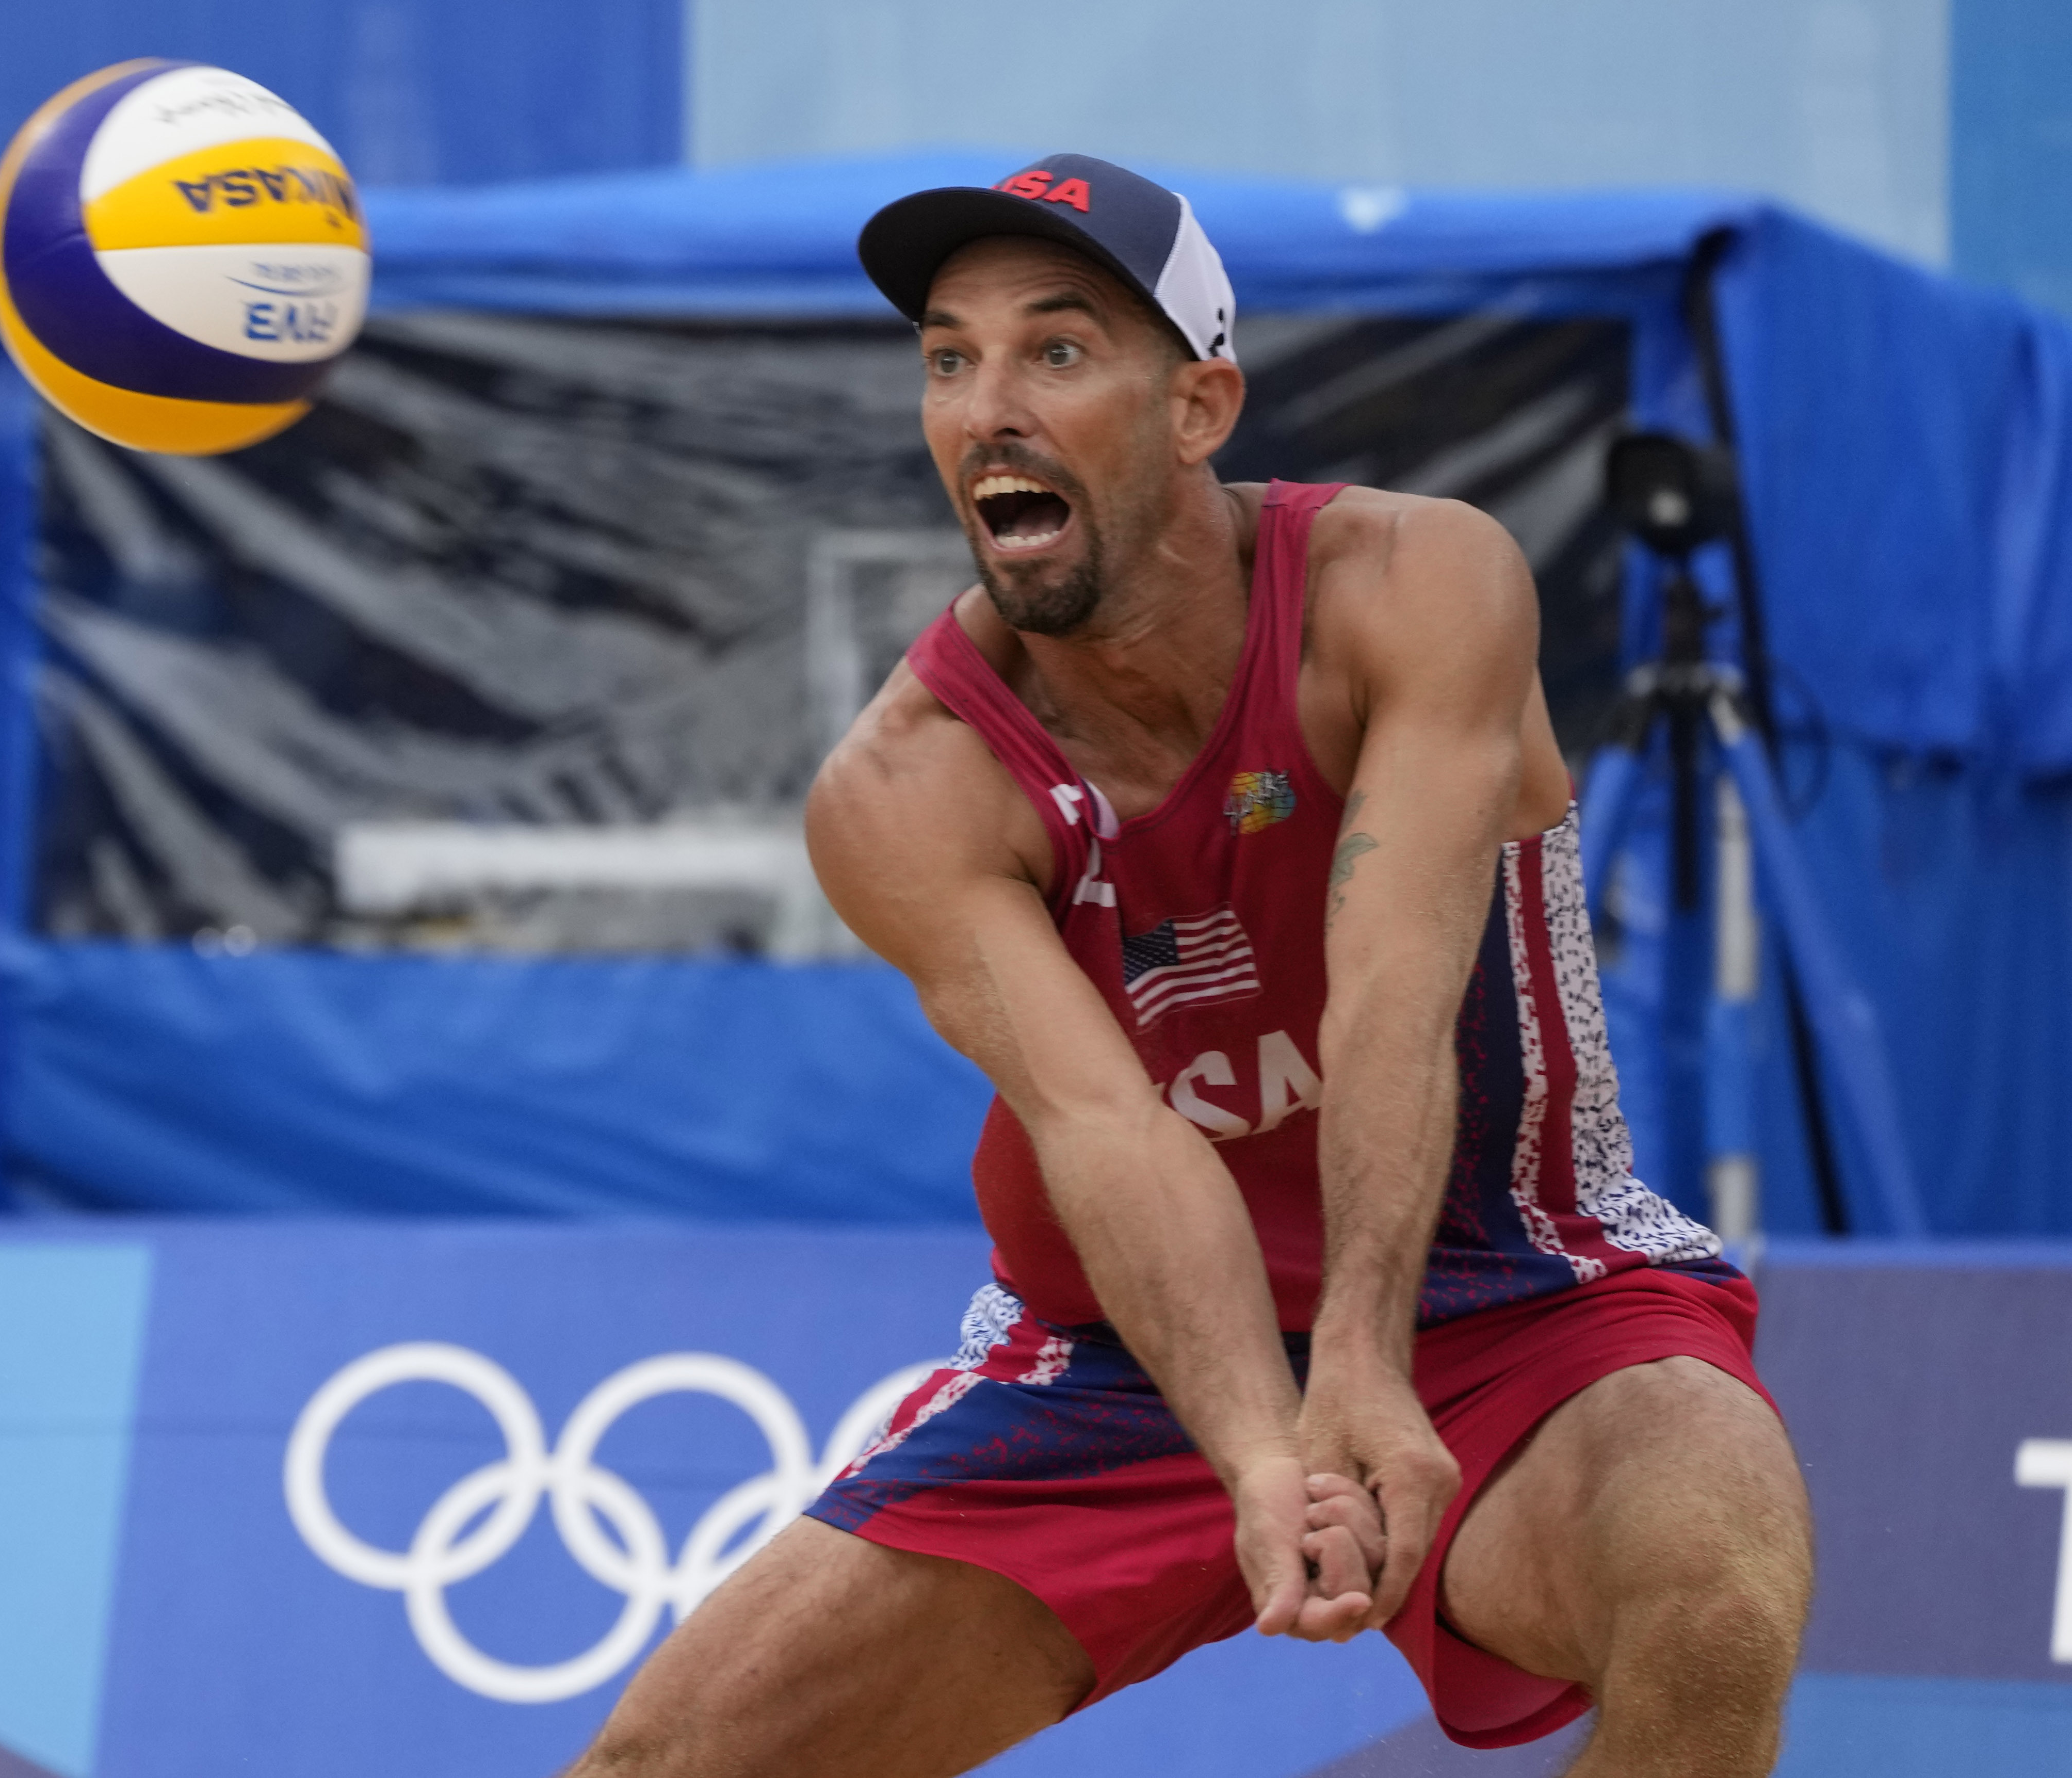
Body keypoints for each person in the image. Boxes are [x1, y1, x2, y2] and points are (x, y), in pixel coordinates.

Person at [560, 154, 1811, 1778]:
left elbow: (1390, 996)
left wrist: (1358, 1361)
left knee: (1710, 1602)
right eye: (949, 357)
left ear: (1199, 407)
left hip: (1513, 1290)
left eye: (1056, 352)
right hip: (1115, 1364)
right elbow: (1111, 1135)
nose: (984, 407)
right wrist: (1258, 1451)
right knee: (654, 1767)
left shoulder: (1413, 587)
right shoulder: (907, 787)